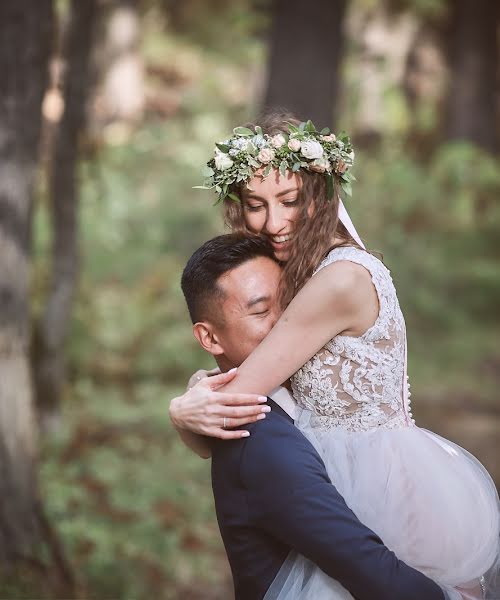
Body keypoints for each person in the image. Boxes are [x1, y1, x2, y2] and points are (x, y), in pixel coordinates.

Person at [169, 112, 500, 599]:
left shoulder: (338, 279)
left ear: (321, 194)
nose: (273, 222)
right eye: (255, 205)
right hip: (328, 474)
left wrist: (183, 407)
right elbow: (219, 432)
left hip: (374, 483)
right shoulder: (306, 268)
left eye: (290, 200)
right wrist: (197, 407)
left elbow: (229, 408)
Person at [177, 232, 444, 599]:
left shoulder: (295, 398)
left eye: (289, 303)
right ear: (210, 339)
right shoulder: (260, 439)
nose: (285, 323)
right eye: (259, 311)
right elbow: (366, 566)